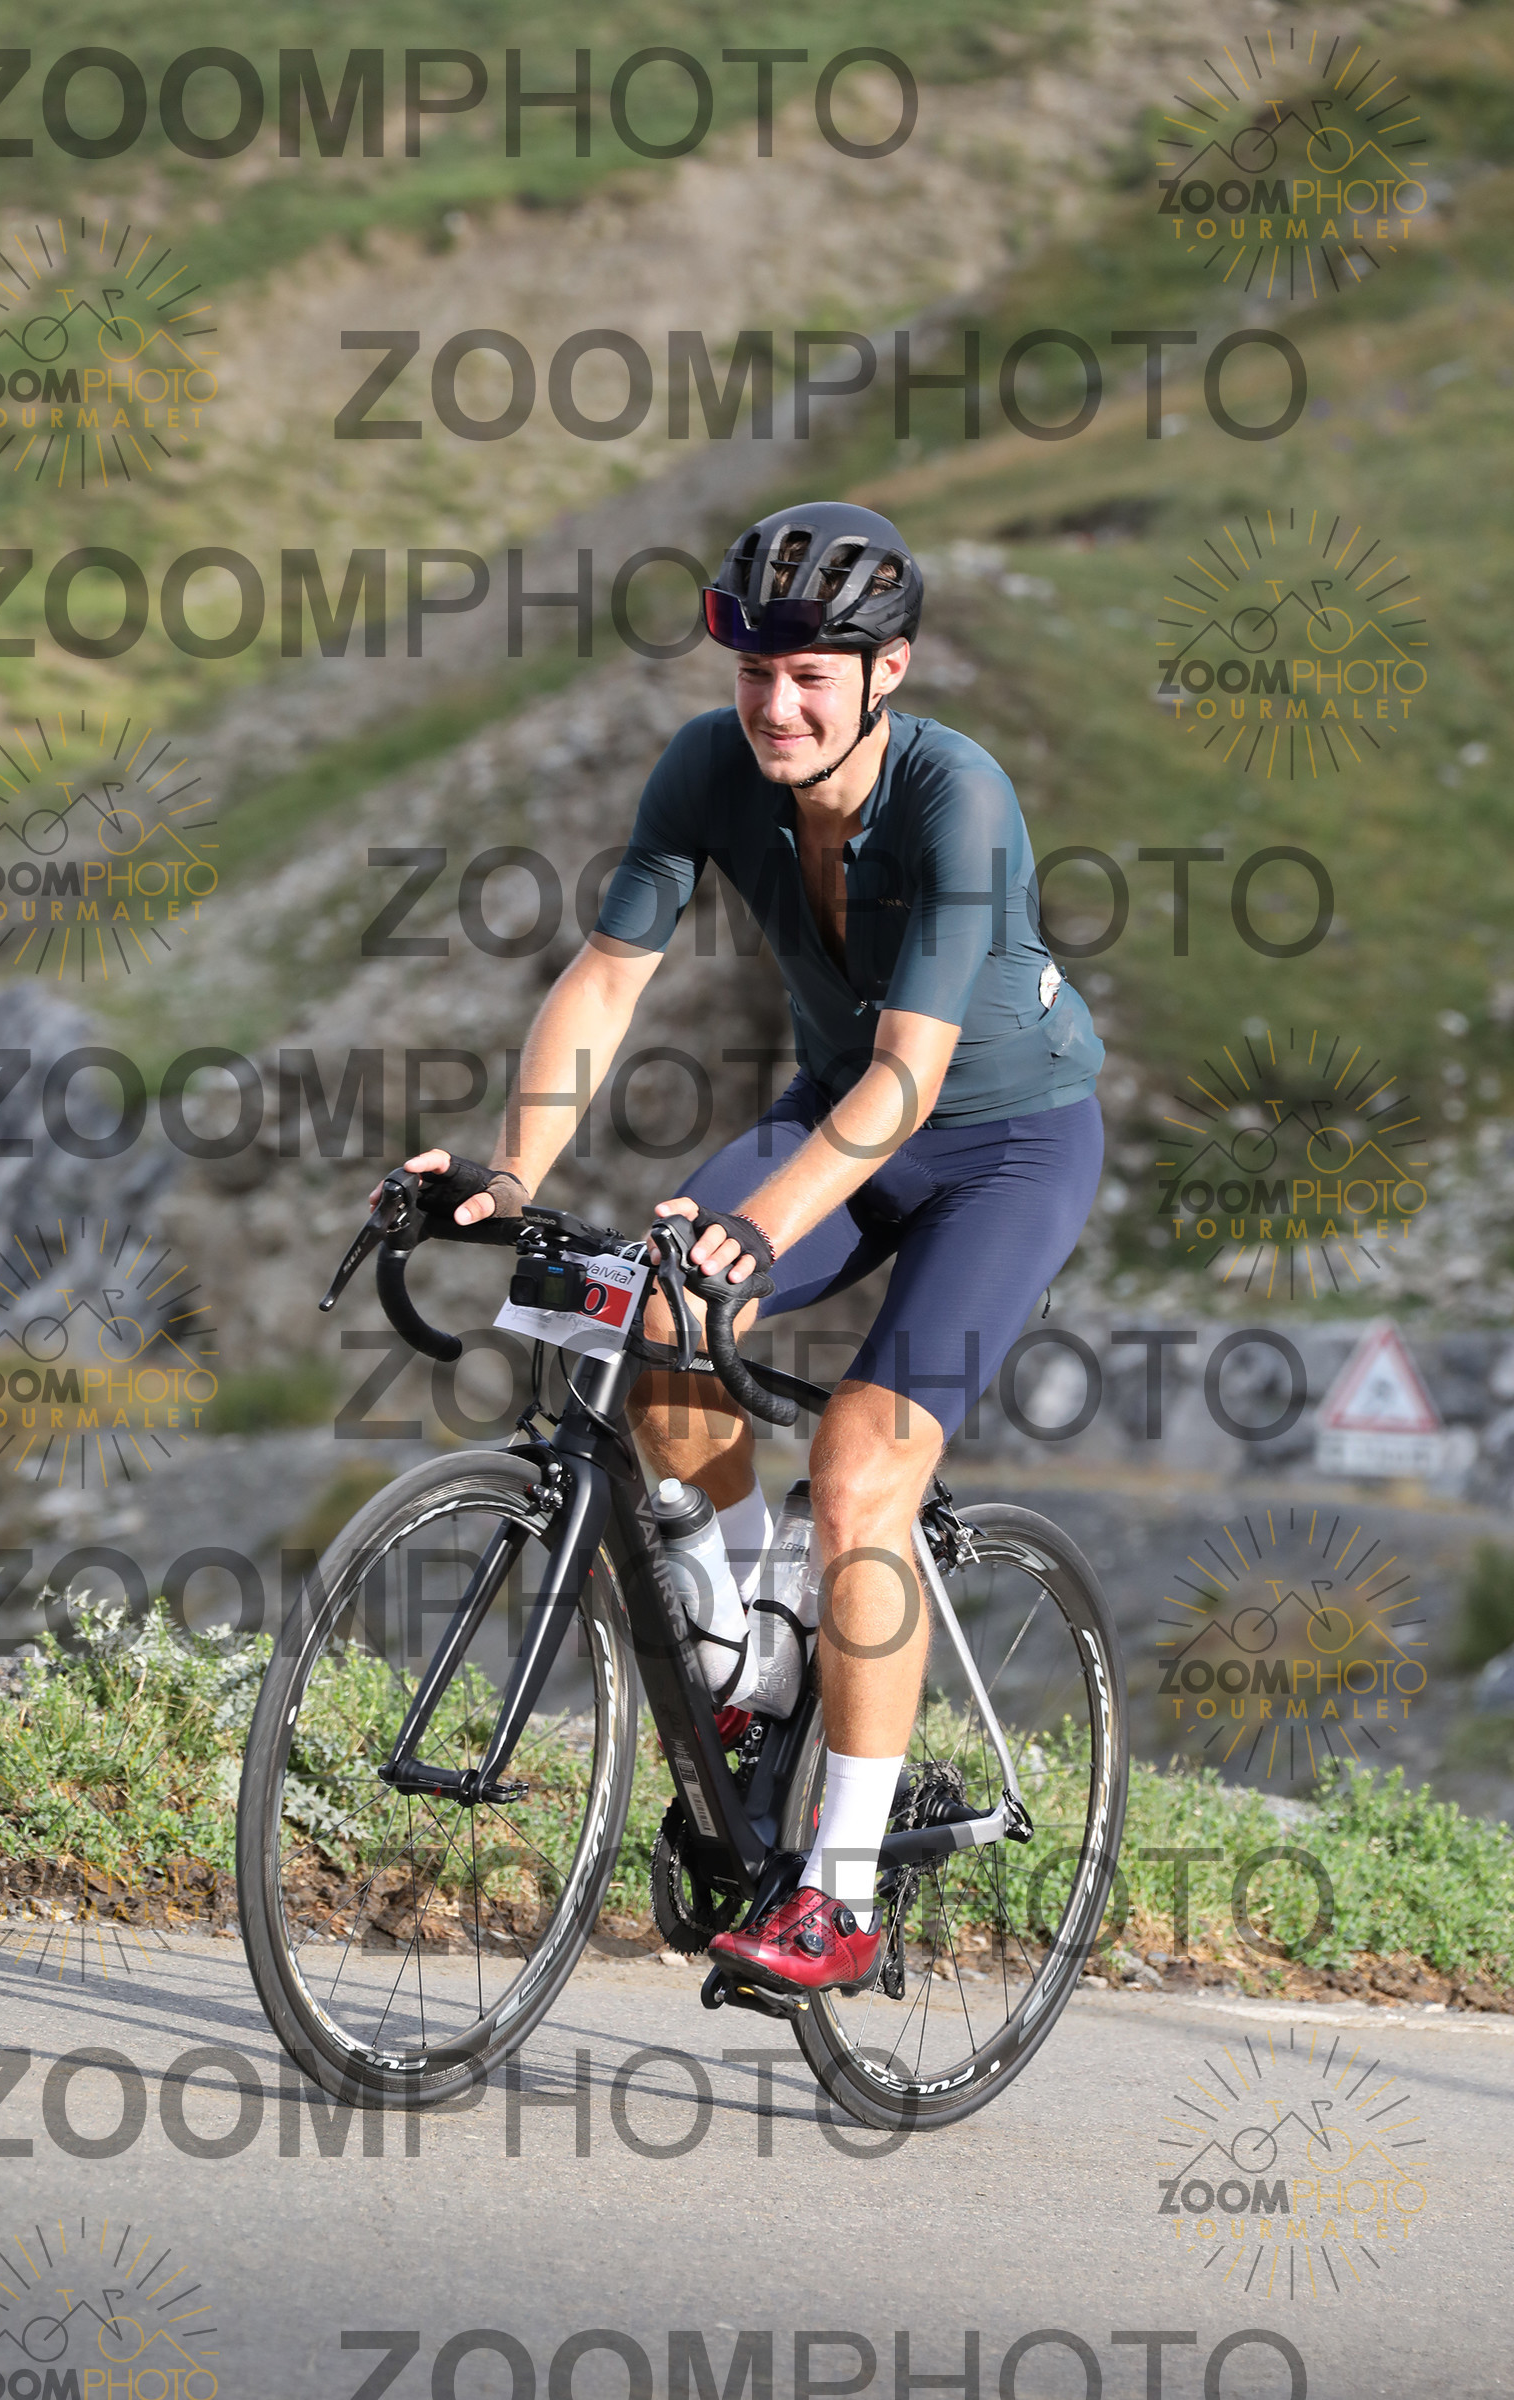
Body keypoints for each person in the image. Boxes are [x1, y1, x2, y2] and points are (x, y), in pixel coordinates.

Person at [403, 501, 1104, 1993]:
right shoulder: (709, 767)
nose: (776, 706)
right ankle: (741, 1659)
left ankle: (840, 1893)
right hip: (836, 1115)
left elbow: (911, 1075)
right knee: (646, 1316)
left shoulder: (957, 798)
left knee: (856, 1474)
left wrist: (751, 1228)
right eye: (754, 673)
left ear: (887, 672)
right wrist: (514, 1172)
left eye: (811, 677)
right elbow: (609, 976)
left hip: (1002, 1148)